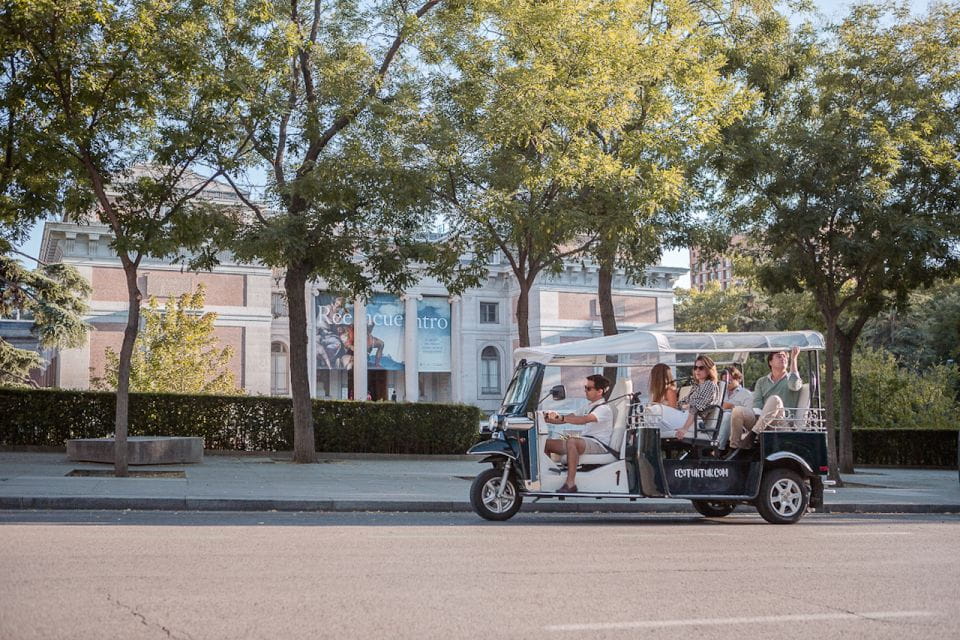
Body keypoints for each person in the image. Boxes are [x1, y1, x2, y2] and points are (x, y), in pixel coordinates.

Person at [543, 374, 613, 494]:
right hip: (585, 442)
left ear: (599, 391)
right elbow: (570, 417)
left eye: (588, 388)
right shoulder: (588, 406)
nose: (585, 391)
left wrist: (561, 417)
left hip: (598, 444)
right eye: (585, 387)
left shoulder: (604, 409)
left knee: (572, 441)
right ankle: (546, 477)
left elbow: (584, 420)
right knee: (546, 443)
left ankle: (570, 484)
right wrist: (546, 418)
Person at [728, 346, 803, 451]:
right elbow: (757, 402)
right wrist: (759, 419)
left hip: (780, 423)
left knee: (775, 399)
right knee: (737, 411)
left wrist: (794, 359)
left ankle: (752, 436)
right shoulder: (762, 381)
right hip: (761, 421)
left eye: (785, 356)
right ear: (770, 362)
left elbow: (794, 385)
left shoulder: (791, 379)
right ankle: (734, 448)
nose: (783, 358)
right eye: (779, 356)